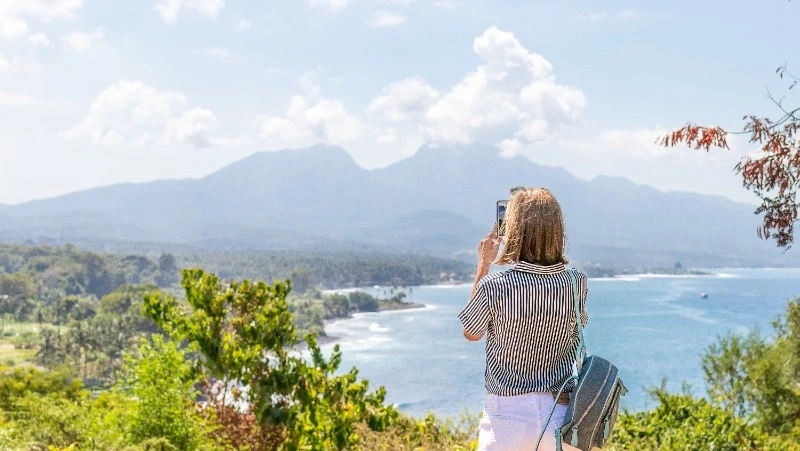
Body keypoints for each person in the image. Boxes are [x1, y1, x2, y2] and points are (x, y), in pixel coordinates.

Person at [459, 187, 588, 451]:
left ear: (514, 230)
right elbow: (577, 328)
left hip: (506, 419)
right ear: (557, 229)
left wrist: (483, 265)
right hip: (561, 417)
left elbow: (471, 332)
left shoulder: (495, 285)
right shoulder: (577, 282)